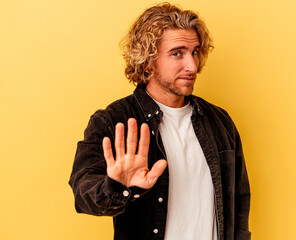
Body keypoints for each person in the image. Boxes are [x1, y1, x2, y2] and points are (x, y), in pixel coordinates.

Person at [69, 2, 251, 240]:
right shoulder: (113, 121)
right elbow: (83, 195)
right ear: (148, 60)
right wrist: (117, 187)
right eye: (177, 53)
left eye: (195, 52)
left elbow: (239, 201)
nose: (192, 66)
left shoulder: (220, 121)